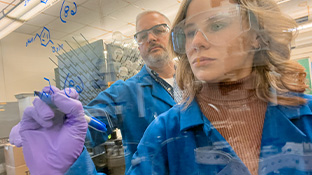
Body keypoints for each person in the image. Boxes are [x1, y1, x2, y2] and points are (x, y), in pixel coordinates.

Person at [127, 0, 312, 174]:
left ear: (256, 34)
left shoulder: (307, 115)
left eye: (216, 25)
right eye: (190, 32)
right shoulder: (164, 133)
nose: (196, 42)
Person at [9, 11, 181, 175]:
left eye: (159, 30)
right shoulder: (125, 91)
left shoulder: (196, 80)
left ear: (172, 35)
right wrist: (60, 123)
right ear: (139, 47)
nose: (150, 38)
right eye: (142, 36)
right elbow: (93, 118)